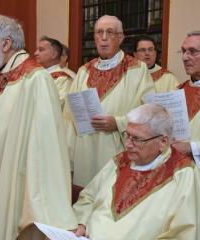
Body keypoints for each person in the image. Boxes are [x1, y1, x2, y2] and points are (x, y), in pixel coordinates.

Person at [0, 14, 77, 240]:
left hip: (8, 185)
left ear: (6, 43)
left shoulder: (34, 79)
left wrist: (41, 209)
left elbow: (46, 148)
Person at [73, 103, 198, 239]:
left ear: (163, 142)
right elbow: (88, 197)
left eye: (137, 139)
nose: (127, 144)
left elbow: (184, 233)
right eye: (128, 135)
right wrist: (81, 223)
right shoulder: (120, 161)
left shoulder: (184, 174)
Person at [63, 15, 155, 187]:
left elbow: (148, 111)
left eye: (110, 32)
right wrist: (67, 160)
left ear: (120, 38)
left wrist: (119, 123)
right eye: (99, 32)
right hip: (84, 154)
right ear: (95, 38)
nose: (104, 37)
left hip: (117, 150)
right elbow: (69, 116)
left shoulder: (136, 68)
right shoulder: (84, 71)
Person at [172, 31, 200, 169]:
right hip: (180, 172)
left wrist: (192, 148)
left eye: (192, 51)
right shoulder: (177, 91)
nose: (184, 57)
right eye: (183, 51)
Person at [35, 36, 72, 108]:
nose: (35, 53)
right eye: (37, 50)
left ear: (54, 54)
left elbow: (60, 104)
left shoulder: (63, 79)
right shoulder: (35, 75)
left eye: (41, 50)